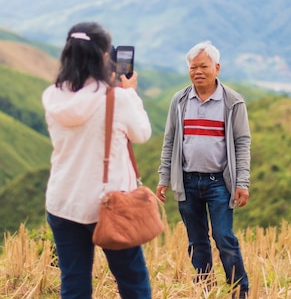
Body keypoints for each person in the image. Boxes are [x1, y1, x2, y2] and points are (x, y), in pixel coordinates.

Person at [42, 21, 153, 299]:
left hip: (62, 202)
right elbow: (142, 133)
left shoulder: (52, 96)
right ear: (104, 57)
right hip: (108, 204)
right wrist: (130, 92)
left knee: (74, 282)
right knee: (132, 281)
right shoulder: (117, 99)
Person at [156, 41, 251, 298]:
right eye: (193, 67)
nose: (198, 71)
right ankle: (204, 290)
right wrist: (165, 177)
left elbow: (242, 143)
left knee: (223, 238)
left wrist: (242, 182)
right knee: (197, 242)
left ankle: (239, 291)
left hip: (219, 182)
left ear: (217, 68)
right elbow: (170, 140)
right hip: (187, 181)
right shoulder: (180, 100)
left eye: (203, 66)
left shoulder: (232, 102)